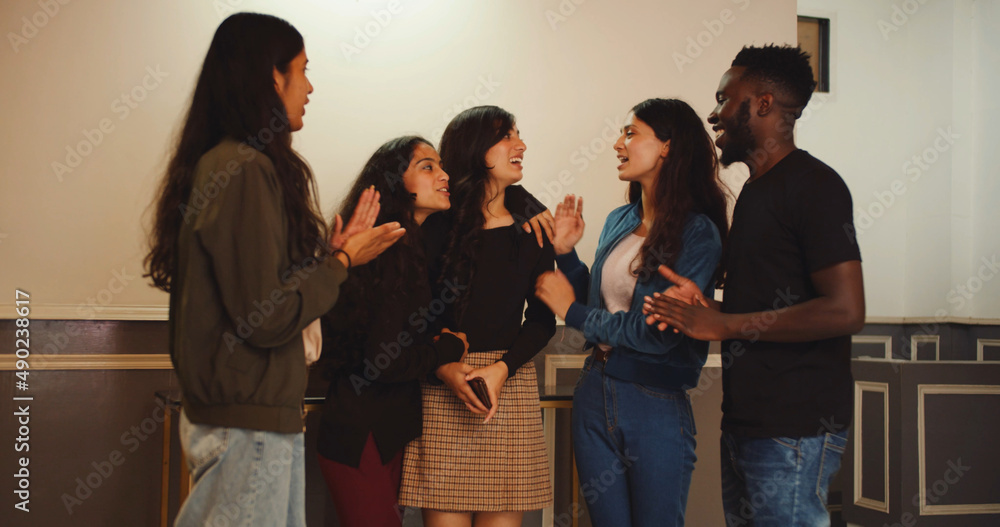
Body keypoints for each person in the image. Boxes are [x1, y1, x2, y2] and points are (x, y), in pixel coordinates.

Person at [143, 13, 403, 527]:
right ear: (271, 77)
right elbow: (266, 315)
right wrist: (344, 261)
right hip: (247, 427)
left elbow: (261, 293)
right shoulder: (241, 168)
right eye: (302, 70)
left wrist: (326, 260)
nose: (310, 86)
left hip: (257, 422)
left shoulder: (235, 165)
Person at [642, 45, 865, 527]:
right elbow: (767, 306)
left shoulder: (815, 186)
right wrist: (707, 306)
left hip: (796, 429)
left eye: (725, 98)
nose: (714, 113)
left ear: (762, 104)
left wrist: (722, 324)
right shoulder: (755, 192)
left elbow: (846, 310)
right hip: (748, 424)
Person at [534, 98, 727, 526]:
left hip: (653, 402)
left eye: (630, 132)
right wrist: (565, 255)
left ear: (666, 147)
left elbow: (655, 333)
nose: (617, 143)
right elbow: (596, 302)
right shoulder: (619, 220)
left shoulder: (698, 233)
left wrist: (571, 311)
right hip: (594, 389)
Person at [399, 106, 556, 527]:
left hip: (509, 384)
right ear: (474, 149)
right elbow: (412, 315)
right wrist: (446, 369)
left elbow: (543, 320)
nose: (519, 144)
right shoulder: (434, 224)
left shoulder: (532, 228)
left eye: (518, 134)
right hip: (441, 385)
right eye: (506, 136)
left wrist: (503, 369)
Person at [316, 136, 479, 527]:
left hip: (384, 432)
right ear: (395, 181)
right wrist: (445, 352)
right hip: (362, 434)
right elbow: (383, 362)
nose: (444, 175)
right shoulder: (387, 250)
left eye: (442, 166)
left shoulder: (411, 246)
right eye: (427, 167)